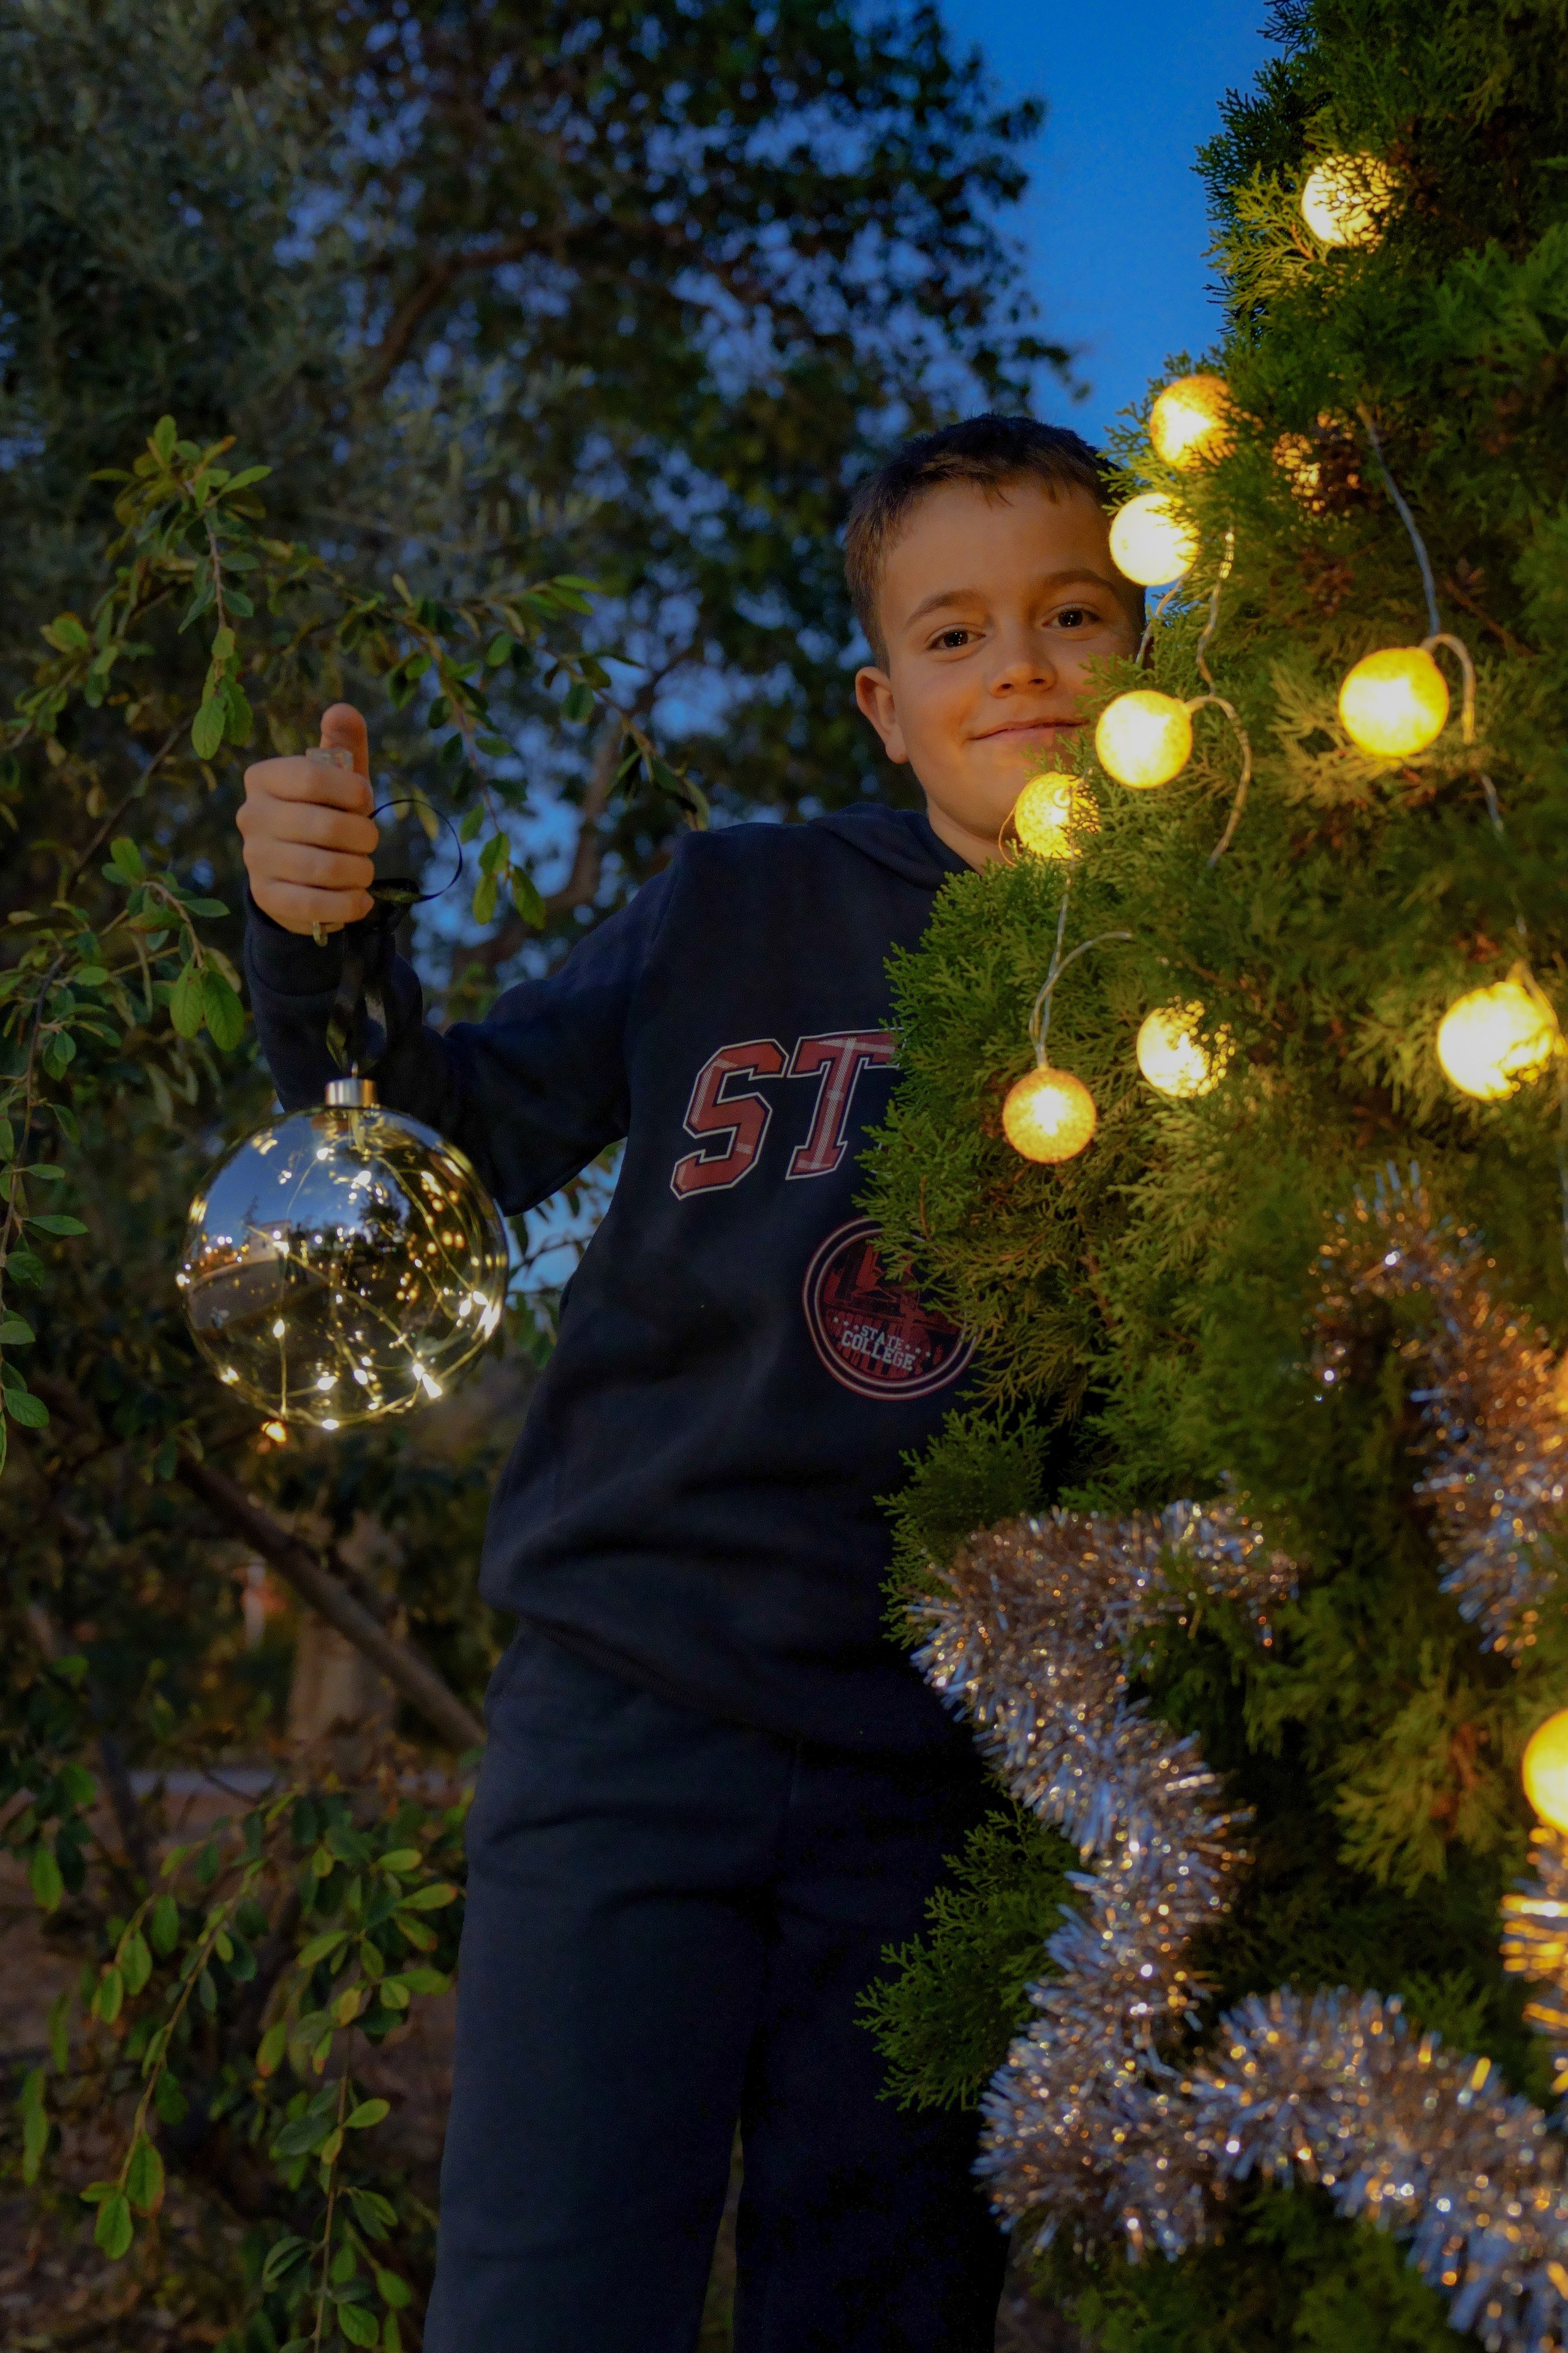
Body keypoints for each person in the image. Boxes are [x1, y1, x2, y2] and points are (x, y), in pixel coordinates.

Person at [238, 414, 1143, 2353]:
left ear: (1149, 653)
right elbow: (436, 1136)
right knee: (549, 2296)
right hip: (628, 1718)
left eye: (1076, 614)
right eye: (960, 635)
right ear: (882, 702)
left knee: (883, 2308)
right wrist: (317, 942)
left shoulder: (1199, 1001)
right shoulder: (734, 905)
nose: (1028, 671)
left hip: (947, 1769)